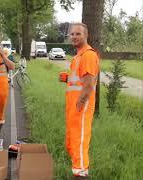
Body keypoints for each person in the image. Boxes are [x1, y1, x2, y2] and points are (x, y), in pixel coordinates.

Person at [59, 23, 99, 178]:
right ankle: (78, 171)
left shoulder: (88, 55)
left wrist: (80, 104)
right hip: (73, 108)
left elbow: (88, 84)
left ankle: (81, 174)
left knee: (79, 143)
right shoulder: (78, 56)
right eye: (72, 34)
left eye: (78, 34)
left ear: (86, 35)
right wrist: (67, 78)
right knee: (72, 143)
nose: (74, 37)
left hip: (80, 108)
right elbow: (80, 80)